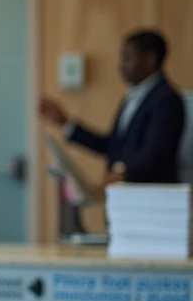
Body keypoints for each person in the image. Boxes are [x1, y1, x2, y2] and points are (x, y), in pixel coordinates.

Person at [41, 30, 186, 187]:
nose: (121, 65)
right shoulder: (133, 97)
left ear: (150, 60)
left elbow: (155, 156)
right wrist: (65, 122)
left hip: (148, 200)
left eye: (127, 58)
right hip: (123, 197)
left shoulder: (166, 100)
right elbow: (113, 146)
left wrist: (119, 175)